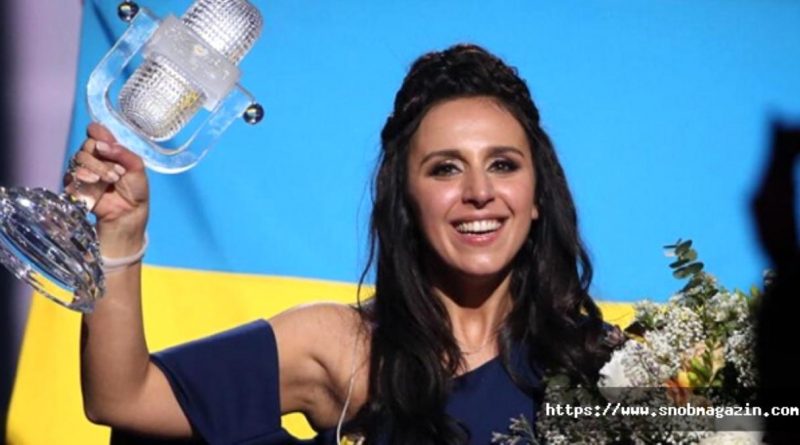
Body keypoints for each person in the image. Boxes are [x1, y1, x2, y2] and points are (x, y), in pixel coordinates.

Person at [72, 44, 614, 445]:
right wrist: (121, 234)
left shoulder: (611, 365)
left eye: (503, 165)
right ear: (405, 200)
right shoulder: (345, 348)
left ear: (537, 194)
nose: (479, 192)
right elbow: (124, 397)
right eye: (445, 168)